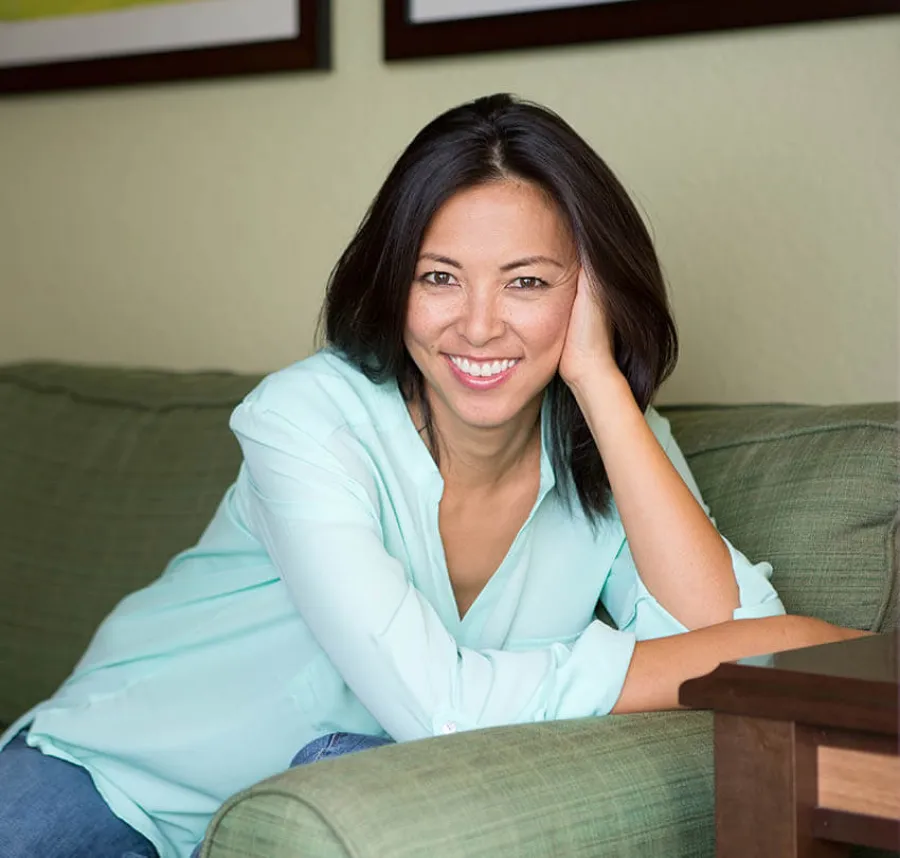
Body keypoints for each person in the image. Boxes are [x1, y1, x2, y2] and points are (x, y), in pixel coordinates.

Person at [0, 93, 868, 858]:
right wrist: (711, 658)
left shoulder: (614, 440)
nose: (479, 325)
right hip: (121, 780)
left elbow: (735, 635)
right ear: (393, 287)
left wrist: (602, 384)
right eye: (439, 277)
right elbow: (442, 709)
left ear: (592, 290)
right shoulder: (304, 420)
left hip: (327, 807)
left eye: (527, 281)